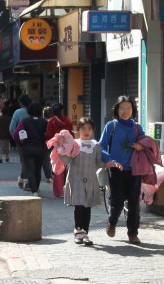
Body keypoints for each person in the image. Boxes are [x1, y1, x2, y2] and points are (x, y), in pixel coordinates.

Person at [100, 95, 147, 245]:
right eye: (122, 108)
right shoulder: (111, 126)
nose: (125, 111)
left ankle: (133, 233)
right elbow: (101, 146)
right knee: (118, 202)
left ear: (133, 110)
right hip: (116, 170)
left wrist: (142, 146)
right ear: (117, 110)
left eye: (128, 108)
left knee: (134, 203)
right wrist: (109, 160)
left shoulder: (137, 128)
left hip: (134, 170)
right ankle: (112, 222)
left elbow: (147, 144)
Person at [59, 117, 103, 246]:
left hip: (90, 180)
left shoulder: (96, 145)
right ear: (77, 130)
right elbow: (66, 161)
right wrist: (61, 146)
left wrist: (109, 163)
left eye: (89, 128)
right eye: (83, 128)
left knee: (87, 207)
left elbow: (99, 162)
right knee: (79, 207)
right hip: (75, 179)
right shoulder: (73, 144)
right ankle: (78, 231)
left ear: (93, 130)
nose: (86, 131)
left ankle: (85, 233)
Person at [15, 101, 49, 194]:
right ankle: (36, 188)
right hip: (40, 148)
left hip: (28, 147)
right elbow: (48, 134)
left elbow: (16, 133)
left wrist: (21, 144)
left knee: (30, 169)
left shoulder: (24, 121)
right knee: (38, 169)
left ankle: (34, 191)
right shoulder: (44, 122)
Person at [45, 103, 74, 197]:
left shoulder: (52, 121)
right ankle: (67, 188)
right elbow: (72, 134)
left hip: (57, 147)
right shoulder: (68, 120)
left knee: (57, 168)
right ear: (62, 110)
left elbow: (48, 135)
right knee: (67, 167)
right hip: (68, 147)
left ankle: (59, 191)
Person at [8, 94, 32, 188]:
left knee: (24, 161)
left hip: (22, 140)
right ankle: (23, 180)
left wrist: (15, 138)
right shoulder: (34, 111)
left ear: (20, 103)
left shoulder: (18, 112)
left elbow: (11, 128)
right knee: (32, 161)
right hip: (35, 140)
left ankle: (25, 181)